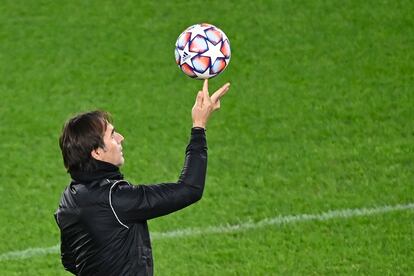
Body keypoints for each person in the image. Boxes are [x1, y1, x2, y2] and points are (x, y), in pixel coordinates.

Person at [54, 80, 230, 275]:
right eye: (112, 135)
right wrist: (199, 126)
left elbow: (70, 260)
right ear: (96, 153)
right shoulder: (116, 199)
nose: (121, 138)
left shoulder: (69, 198)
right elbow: (190, 189)